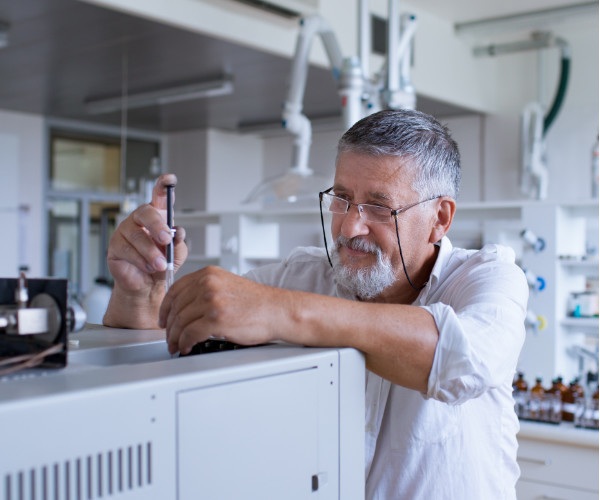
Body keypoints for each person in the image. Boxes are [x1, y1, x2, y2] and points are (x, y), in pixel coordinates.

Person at [104, 109, 528, 499]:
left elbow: (462, 363)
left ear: (440, 218)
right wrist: (139, 290)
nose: (349, 225)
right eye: (341, 198)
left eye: (379, 208)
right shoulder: (302, 277)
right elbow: (162, 339)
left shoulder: (487, 278)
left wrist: (280, 312)